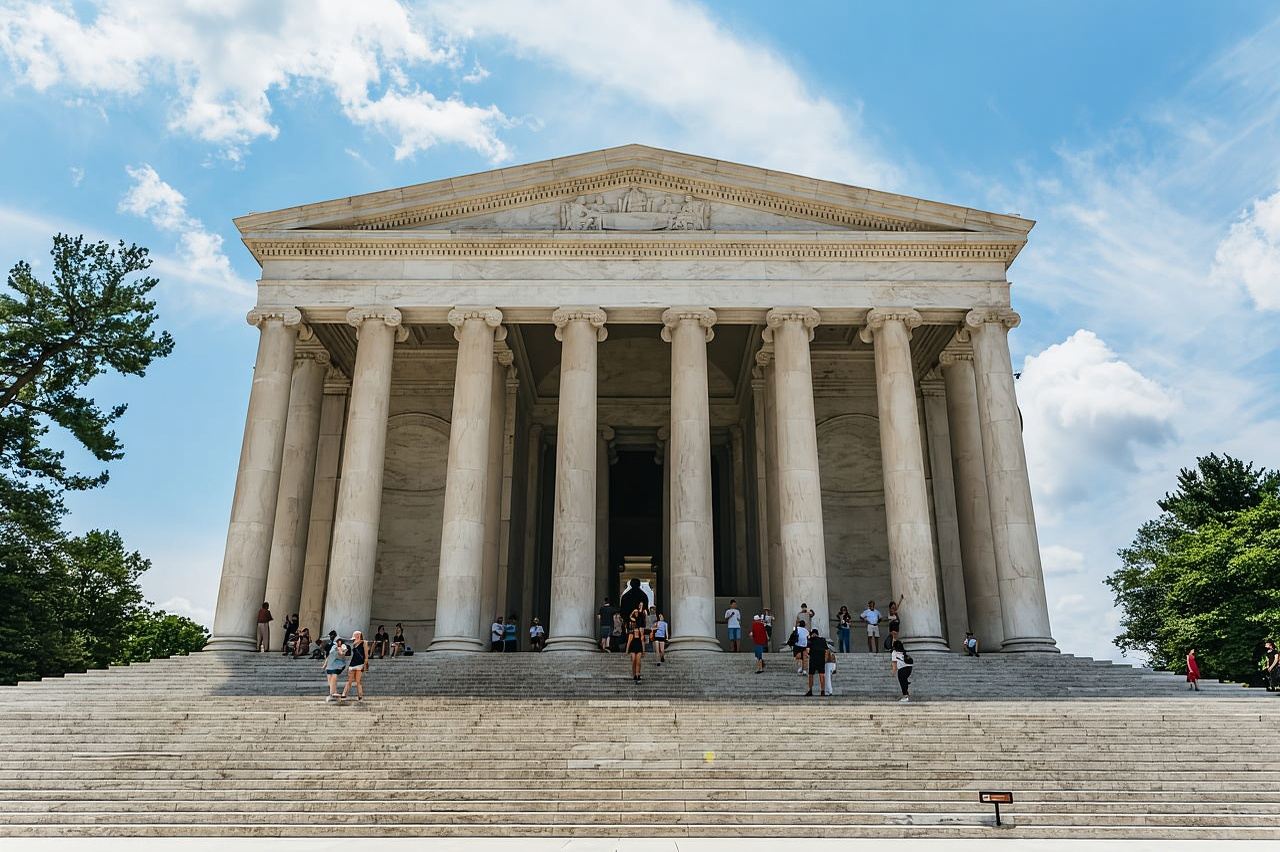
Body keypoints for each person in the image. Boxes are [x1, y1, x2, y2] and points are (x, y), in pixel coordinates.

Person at [340, 630, 370, 702]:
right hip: (353, 663)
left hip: (360, 664)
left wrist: (365, 665)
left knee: (358, 681)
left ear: (358, 635)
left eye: (356, 636)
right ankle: (344, 694)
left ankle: (360, 696)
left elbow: (366, 655)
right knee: (349, 680)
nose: (354, 637)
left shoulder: (364, 642)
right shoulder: (354, 643)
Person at [322, 634, 348, 702]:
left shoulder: (343, 646)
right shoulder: (333, 647)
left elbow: (342, 654)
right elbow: (329, 656)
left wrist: (339, 650)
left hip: (338, 664)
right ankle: (333, 692)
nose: (338, 642)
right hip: (331, 664)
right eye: (337, 641)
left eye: (339, 640)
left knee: (334, 677)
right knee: (330, 680)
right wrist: (325, 665)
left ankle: (332, 694)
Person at [805, 628, 829, 696]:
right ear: (817, 634)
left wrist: (808, 655)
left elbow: (807, 650)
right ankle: (822, 691)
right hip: (821, 659)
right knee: (821, 675)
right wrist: (825, 659)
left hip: (813, 659)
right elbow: (827, 650)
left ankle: (810, 690)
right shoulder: (823, 640)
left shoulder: (810, 640)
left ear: (812, 634)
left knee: (811, 675)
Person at [626, 618, 645, 683]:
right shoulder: (631, 633)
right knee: (634, 660)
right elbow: (628, 642)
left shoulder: (640, 633)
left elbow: (642, 641)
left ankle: (638, 675)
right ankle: (634, 674)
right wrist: (627, 650)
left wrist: (643, 650)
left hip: (639, 648)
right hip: (633, 648)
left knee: (638, 662)